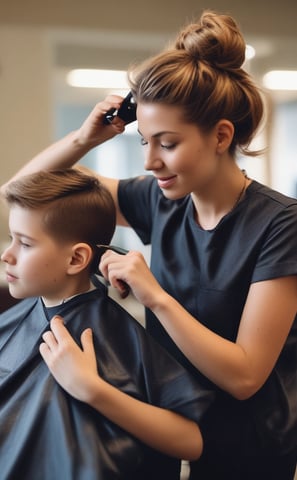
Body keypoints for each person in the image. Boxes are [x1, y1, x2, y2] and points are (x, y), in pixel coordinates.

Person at [1, 9, 296, 480]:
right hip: (164, 425)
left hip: (248, 449)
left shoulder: (280, 225)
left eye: (168, 143)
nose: (152, 161)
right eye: (144, 141)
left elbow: (244, 376)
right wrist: (84, 138)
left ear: (221, 136)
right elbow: (24, 193)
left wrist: (154, 295)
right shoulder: (161, 199)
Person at [0, 168, 215, 480]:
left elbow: (191, 442)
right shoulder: (12, 322)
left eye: (25, 244)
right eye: (10, 238)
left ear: (76, 259)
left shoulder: (115, 336)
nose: (7, 255)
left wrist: (93, 389)